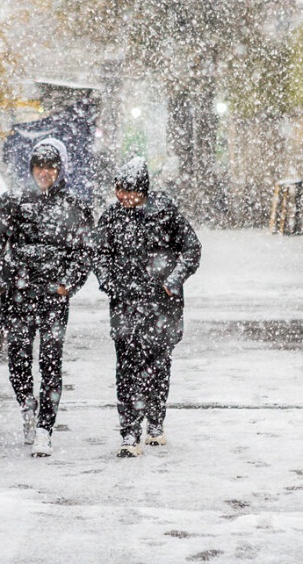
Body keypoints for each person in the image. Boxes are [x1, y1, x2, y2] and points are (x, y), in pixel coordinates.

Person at [93, 157, 201, 457]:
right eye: (121, 191)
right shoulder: (111, 217)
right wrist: (109, 282)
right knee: (126, 367)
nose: (126, 198)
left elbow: (192, 249)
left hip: (162, 305)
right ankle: (129, 432)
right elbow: (99, 253)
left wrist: (172, 281)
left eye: (133, 192)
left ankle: (155, 420)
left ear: (145, 190)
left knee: (157, 364)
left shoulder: (165, 213)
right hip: (125, 303)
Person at [0, 138, 93, 456]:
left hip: (53, 297)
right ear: (31, 168)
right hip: (18, 296)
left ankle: (45, 429)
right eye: (39, 166)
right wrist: (7, 281)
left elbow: (85, 252)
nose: (44, 172)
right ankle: (29, 410)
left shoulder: (73, 205)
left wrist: (68, 283)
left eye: (51, 167)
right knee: (18, 361)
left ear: (60, 169)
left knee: (51, 363)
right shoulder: (13, 201)